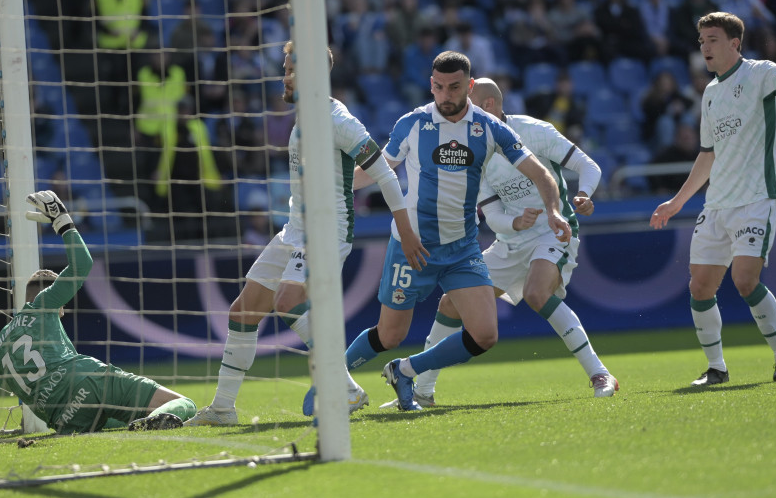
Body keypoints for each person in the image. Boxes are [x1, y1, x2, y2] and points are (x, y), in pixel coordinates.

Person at [186, 40, 425, 426]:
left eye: (291, 69)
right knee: (243, 312)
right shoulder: (305, 116)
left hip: (326, 230)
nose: (285, 75)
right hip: (295, 229)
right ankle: (223, 409)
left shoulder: (339, 122)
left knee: (287, 301)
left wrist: (404, 228)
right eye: (285, 67)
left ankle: (344, 387)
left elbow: (384, 172)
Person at [336, 51, 572, 411]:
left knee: (485, 335)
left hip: (462, 248)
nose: (445, 95)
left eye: (454, 87)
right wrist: (333, 183)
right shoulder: (412, 123)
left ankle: (406, 370)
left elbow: (541, 174)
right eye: (438, 87)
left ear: (470, 86)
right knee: (390, 334)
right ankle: (333, 379)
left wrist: (553, 211)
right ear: (431, 85)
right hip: (413, 244)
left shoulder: (490, 128)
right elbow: (375, 172)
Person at [395, 77, 617, 407]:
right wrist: (514, 222)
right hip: (510, 240)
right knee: (450, 304)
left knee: (536, 293)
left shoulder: (534, 130)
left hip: (552, 231)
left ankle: (599, 373)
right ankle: (423, 390)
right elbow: (492, 214)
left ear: (486, 106)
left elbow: (588, 165)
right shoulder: (473, 147)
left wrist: (583, 193)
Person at [650, 11, 776, 386]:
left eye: (712, 39)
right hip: (716, 205)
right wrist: (677, 201)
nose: (704, 47)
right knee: (700, 287)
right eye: (701, 41)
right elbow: (707, 154)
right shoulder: (710, 94)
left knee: (746, 279)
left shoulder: (759, 72)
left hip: (756, 198)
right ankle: (716, 369)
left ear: (734, 43)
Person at [0, 190, 197, 439]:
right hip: (87, 381)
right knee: (187, 405)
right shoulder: (44, 304)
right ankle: (155, 418)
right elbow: (82, 264)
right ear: (57, 301)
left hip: (63, 418)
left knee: (116, 421)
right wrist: (62, 220)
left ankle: (144, 423)